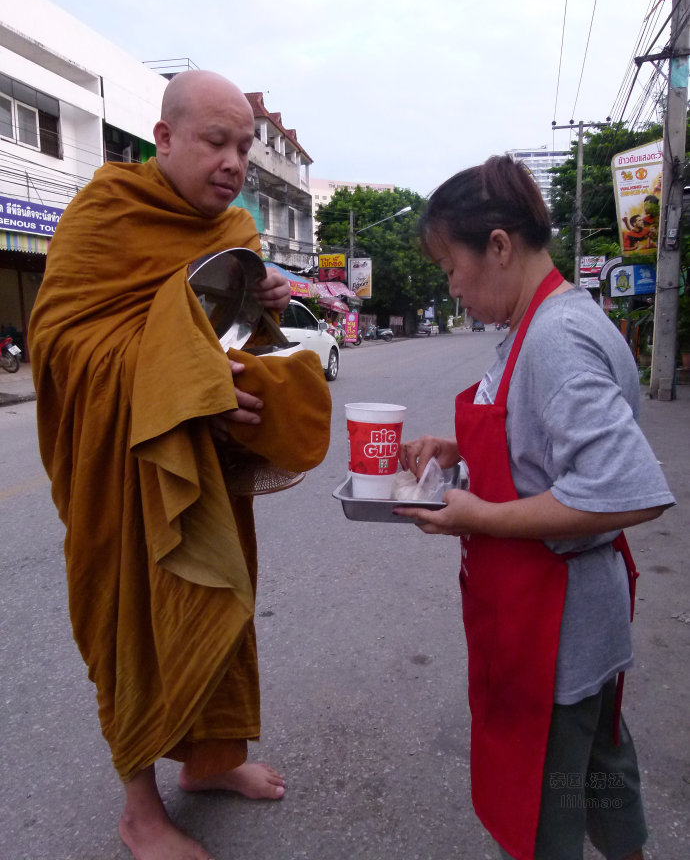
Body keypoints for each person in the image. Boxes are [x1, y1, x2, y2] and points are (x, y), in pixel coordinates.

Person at [29, 71, 332, 860]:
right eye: (215, 141)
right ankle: (139, 810)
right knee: (129, 620)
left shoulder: (234, 230)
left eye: (242, 145)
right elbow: (61, 345)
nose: (233, 161)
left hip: (202, 468)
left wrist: (263, 301)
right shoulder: (105, 214)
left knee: (217, 604)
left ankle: (210, 762)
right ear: (164, 139)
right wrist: (189, 385)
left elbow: (232, 338)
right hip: (119, 467)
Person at [395, 156, 675, 860]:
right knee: (600, 770)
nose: (451, 286)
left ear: (498, 245)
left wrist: (475, 516)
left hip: (555, 627)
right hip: (585, 622)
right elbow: (544, 435)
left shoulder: (554, 338)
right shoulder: (547, 320)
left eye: (450, 265)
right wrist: (457, 448)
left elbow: (623, 489)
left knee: (545, 801)